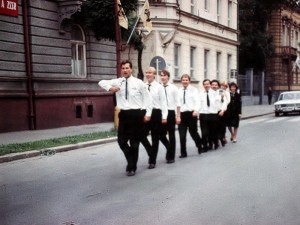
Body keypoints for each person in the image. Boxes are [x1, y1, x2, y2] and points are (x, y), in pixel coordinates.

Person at [98, 60, 153, 176]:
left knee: (134, 143)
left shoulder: (139, 83)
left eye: (127, 68)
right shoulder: (118, 82)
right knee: (121, 141)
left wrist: (147, 114)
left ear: (131, 69)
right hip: (123, 115)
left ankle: (131, 167)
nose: (125, 70)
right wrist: (110, 88)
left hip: (136, 115)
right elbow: (101, 82)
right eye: (123, 68)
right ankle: (131, 160)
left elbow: (148, 100)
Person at [141, 67, 168, 169]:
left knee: (155, 138)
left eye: (150, 73)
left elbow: (163, 102)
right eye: (146, 72)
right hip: (145, 112)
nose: (148, 74)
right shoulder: (143, 86)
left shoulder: (159, 87)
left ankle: (152, 161)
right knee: (141, 135)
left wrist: (164, 116)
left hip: (156, 113)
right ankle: (151, 152)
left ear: (154, 75)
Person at [159, 69, 181, 164]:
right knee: (161, 135)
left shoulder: (174, 88)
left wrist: (178, 116)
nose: (162, 77)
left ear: (168, 77)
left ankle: (171, 156)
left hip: (171, 113)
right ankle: (169, 148)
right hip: (161, 113)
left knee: (171, 135)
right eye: (161, 75)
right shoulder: (158, 88)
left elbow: (178, 103)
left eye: (164, 75)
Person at [178, 74, 202, 158]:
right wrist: (177, 115)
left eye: (186, 80)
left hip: (191, 114)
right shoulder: (179, 91)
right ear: (181, 81)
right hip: (182, 114)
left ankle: (199, 145)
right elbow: (177, 104)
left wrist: (196, 110)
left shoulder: (194, 90)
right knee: (182, 135)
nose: (185, 81)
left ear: (189, 81)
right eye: (183, 80)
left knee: (193, 133)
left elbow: (198, 101)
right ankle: (183, 153)